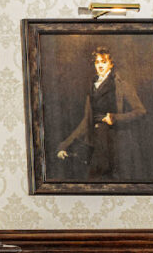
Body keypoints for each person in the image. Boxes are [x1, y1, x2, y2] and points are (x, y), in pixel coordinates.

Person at [56, 46, 146, 180]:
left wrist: (115, 118)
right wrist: (64, 144)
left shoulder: (121, 85)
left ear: (111, 64)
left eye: (103, 62)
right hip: (96, 142)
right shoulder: (93, 85)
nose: (100, 65)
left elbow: (141, 111)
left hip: (116, 144)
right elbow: (86, 121)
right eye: (97, 62)